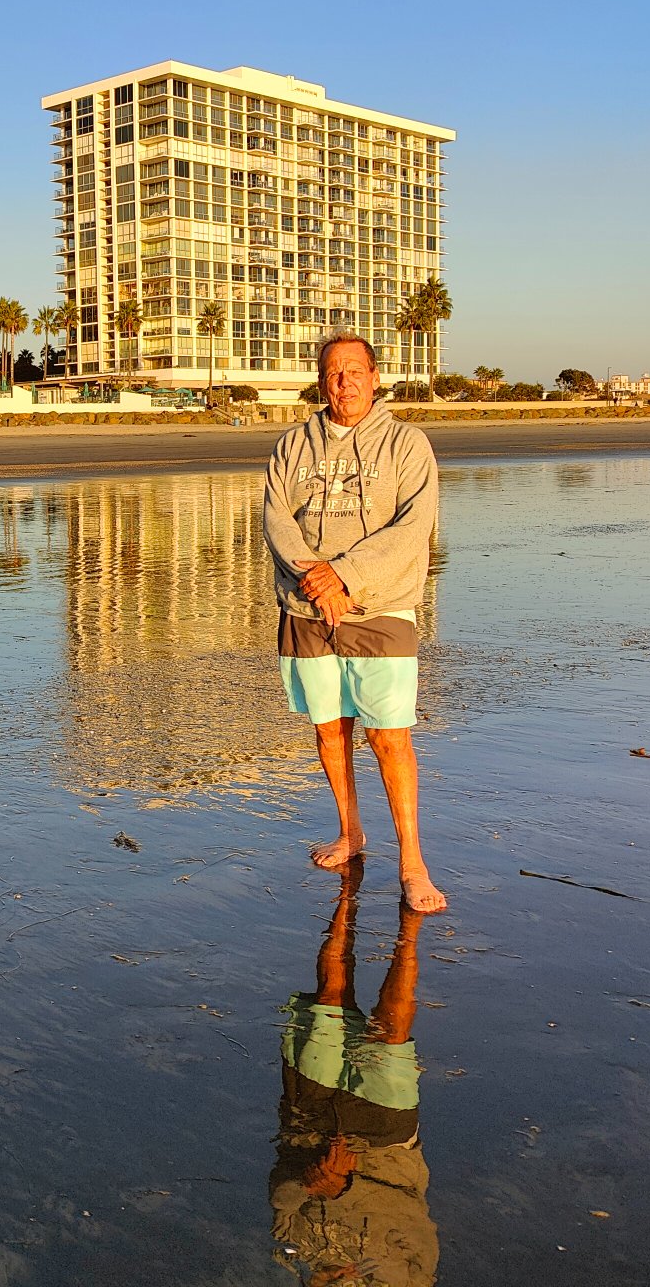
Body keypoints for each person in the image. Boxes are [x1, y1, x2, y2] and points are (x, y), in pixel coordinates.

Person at [262, 333, 446, 912]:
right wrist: (317, 583)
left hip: (380, 607)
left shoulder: (407, 443)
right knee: (329, 728)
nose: (344, 381)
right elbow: (276, 519)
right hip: (306, 608)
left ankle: (413, 863)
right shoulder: (293, 444)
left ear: (374, 376)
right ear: (321, 380)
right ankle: (351, 831)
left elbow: (413, 528)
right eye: (332, 372)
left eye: (354, 370)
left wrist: (344, 576)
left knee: (388, 735)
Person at [270, 863, 437, 1285]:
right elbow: (413, 1222)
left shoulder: (297, 1256)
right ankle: (409, 931)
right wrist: (343, 1186)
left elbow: (279, 1201)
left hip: (307, 1123)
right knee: (392, 1031)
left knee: (328, 999)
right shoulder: (411, 1280)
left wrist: (310, 1184)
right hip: (384, 1136)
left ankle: (346, 895)